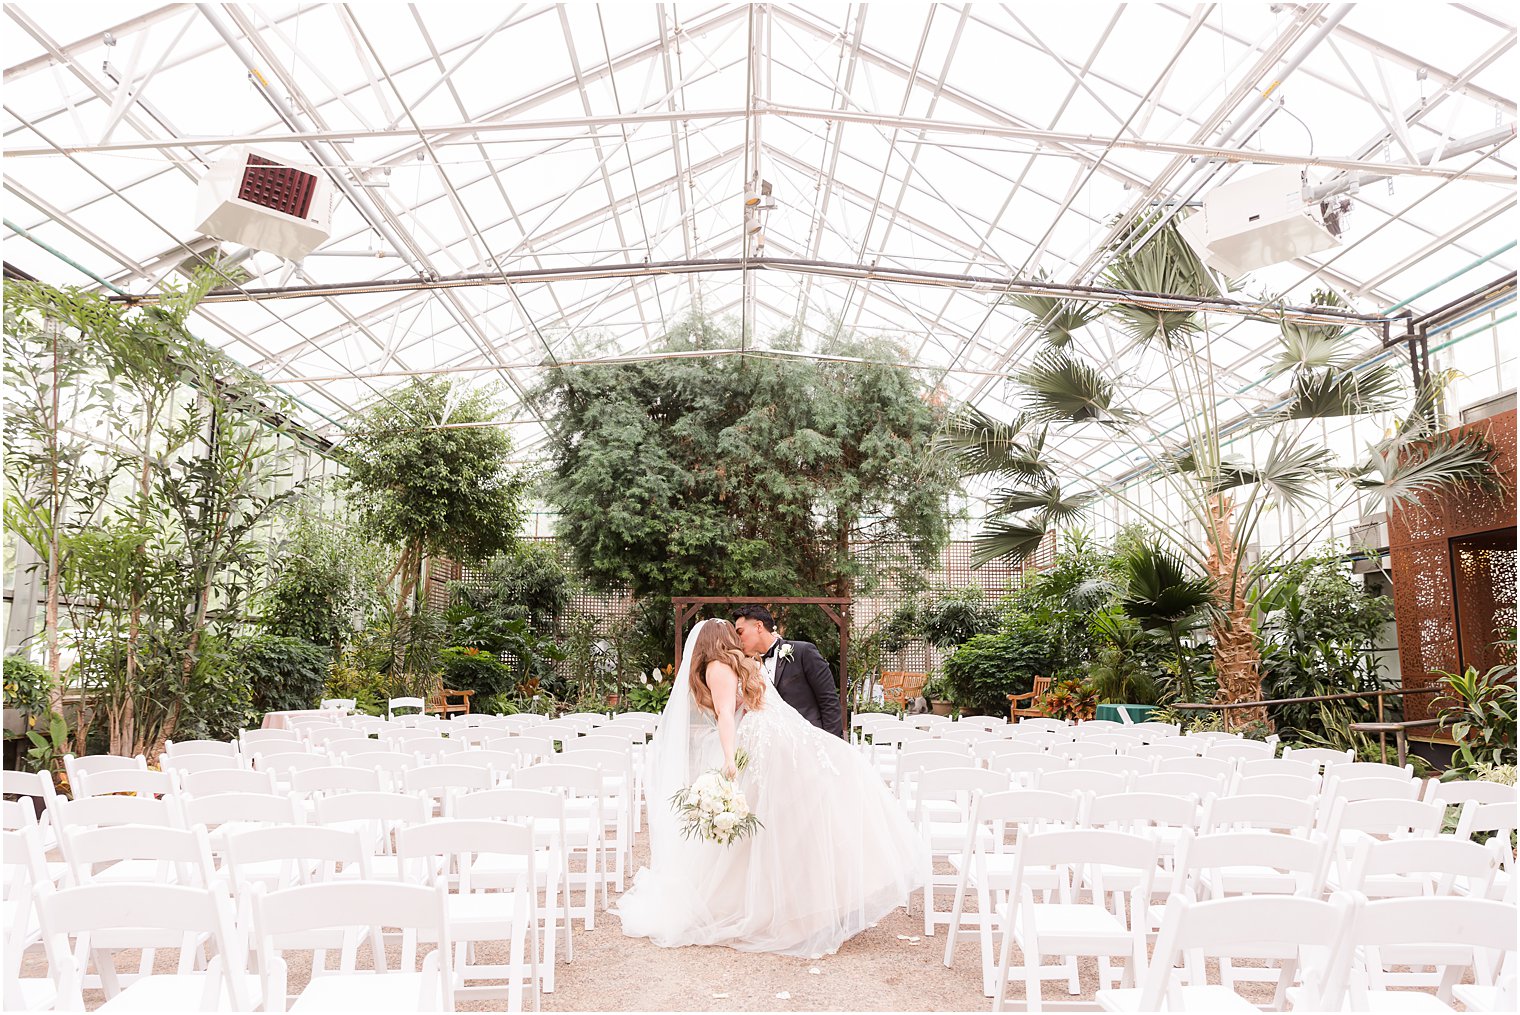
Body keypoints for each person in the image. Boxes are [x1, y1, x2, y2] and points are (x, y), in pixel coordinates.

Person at [615, 618, 925, 958]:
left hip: (767, 747)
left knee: (776, 828)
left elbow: (725, 716)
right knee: (787, 826)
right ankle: (802, 908)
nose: (737, 637)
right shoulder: (744, 664)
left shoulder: (719, 666)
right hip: (782, 742)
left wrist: (729, 759)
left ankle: (790, 909)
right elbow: (740, 712)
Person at [732, 604, 846, 738]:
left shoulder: (803, 652)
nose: (737, 639)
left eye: (740, 632)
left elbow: (829, 701)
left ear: (758, 626)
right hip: (771, 744)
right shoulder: (747, 667)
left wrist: (832, 744)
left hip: (809, 739)